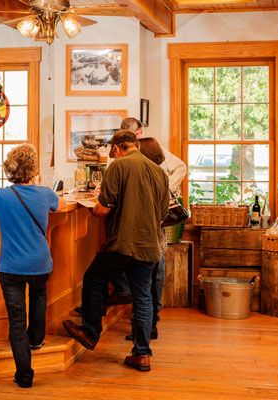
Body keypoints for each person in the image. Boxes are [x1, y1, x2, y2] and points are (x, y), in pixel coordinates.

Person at [0, 144, 66, 388]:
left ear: (10, 171)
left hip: (12, 266)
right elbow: (60, 205)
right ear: (32, 169)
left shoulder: (1, 196)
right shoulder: (45, 193)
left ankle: (25, 375)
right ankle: (37, 340)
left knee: (17, 320)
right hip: (41, 263)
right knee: (39, 296)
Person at [63, 130, 168, 372]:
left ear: (119, 148)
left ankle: (90, 332)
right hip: (149, 245)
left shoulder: (118, 167)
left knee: (93, 277)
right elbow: (162, 215)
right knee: (143, 298)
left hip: (122, 243)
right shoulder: (158, 172)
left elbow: (103, 209)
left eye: (113, 151)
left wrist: (90, 207)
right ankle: (142, 354)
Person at [107, 117, 188, 306]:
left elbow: (181, 167)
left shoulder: (149, 147)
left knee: (153, 263)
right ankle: (146, 312)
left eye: (136, 134)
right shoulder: (128, 157)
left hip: (152, 217)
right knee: (150, 264)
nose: (137, 138)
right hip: (149, 218)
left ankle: (148, 310)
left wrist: (165, 189)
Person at [124, 137, 169, 342]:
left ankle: (143, 330)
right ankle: (151, 324)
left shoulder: (146, 175)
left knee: (143, 287)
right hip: (158, 239)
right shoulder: (160, 174)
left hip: (146, 238)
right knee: (154, 281)